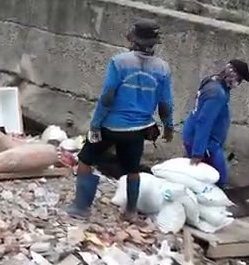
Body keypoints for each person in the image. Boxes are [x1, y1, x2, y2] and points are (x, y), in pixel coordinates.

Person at [66, 20, 174, 220]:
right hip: (139, 128)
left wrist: (96, 123)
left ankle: (81, 207)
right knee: (133, 169)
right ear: (154, 43)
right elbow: (165, 103)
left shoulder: (119, 62)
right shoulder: (163, 69)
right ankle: (131, 212)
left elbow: (108, 96)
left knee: (85, 160)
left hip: (111, 125)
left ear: (133, 39)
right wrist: (168, 127)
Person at [181, 59, 249, 188]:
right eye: (240, 79)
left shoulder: (212, 80)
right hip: (206, 144)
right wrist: (198, 153)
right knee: (219, 179)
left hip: (199, 137)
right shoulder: (217, 93)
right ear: (234, 76)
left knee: (198, 177)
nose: (240, 83)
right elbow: (204, 122)